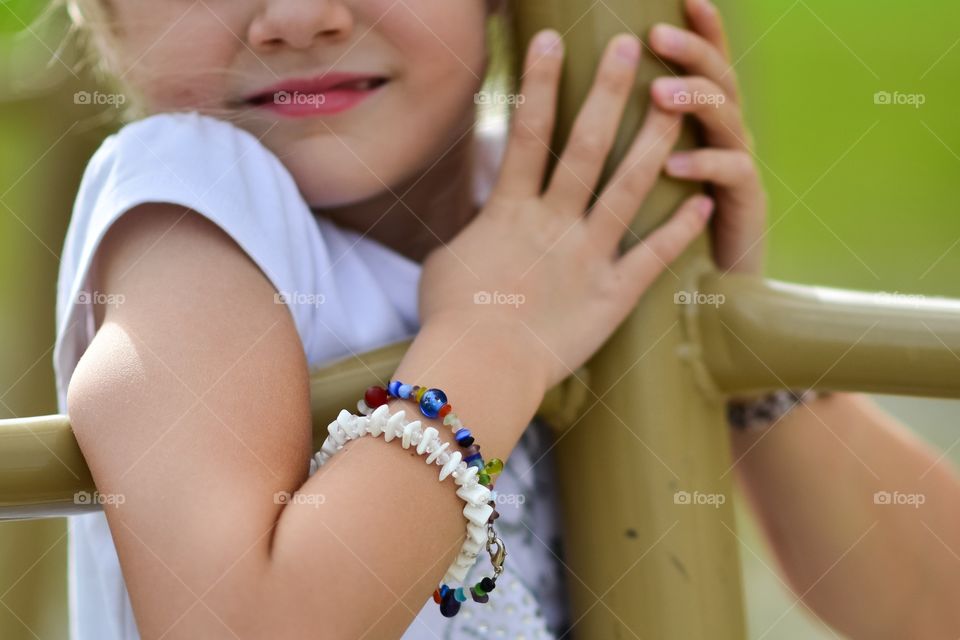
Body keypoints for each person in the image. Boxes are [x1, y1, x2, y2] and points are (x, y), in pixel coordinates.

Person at [52, 1, 960, 639]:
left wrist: (729, 341)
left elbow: (933, 605)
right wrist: (492, 346)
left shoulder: (550, 222)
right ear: (100, 11)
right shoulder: (190, 210)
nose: (295, 14)